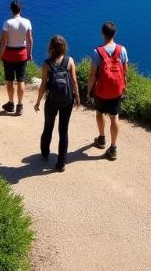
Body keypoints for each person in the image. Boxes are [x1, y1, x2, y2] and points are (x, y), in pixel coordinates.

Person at [34, 35, 80, 172]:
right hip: (67, 100)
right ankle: (61, 164)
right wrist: (77, 97)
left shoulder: (46, 64)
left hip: (52, 100)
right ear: (64, 47)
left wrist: (38, 101)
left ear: (51, 48)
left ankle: (45, 153)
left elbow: (43, 84)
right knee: (63, 130)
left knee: (48, 126)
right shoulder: (70, 61)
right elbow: (73, 81)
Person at [88, 21, 128, 161]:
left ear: (102, 34)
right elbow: (125, 72)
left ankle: (102, 138)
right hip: (117, 89)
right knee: (114, 116)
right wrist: (124, 87)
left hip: (101, 90)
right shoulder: (122, 50)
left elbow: (93, 74)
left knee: (99, 113)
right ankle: (113, 147)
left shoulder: (97, 52)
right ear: (115, 33)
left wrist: (89, 90)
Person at [0, 0, 33, 114]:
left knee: (10, 81)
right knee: (21, 80)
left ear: (11, 9)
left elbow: (3, 41)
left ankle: (11, 103)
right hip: (22, 54)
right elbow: (30, 40)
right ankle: (20, 105)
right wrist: (29, 53)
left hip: (9, 54)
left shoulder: (7, 23)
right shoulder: (27, 22)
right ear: (20, 9)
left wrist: (1, 54)